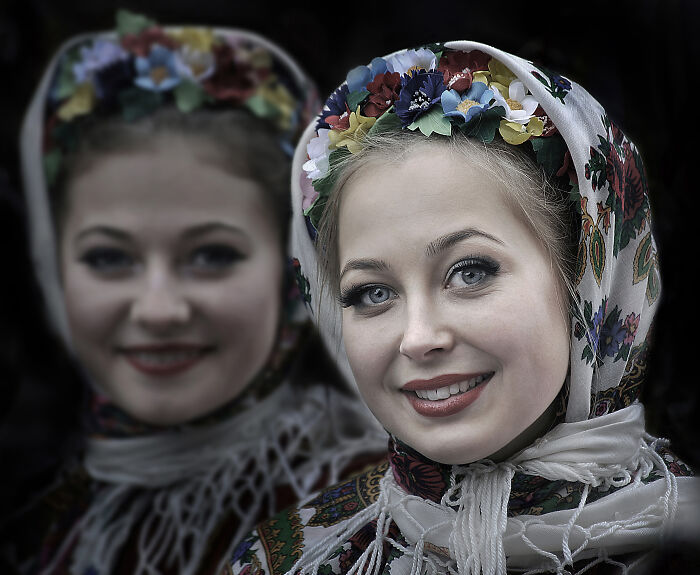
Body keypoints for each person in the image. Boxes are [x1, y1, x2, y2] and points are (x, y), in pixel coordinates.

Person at [225, 41, 699, 574]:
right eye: (372, 292)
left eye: (470, 272)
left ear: (588, 279)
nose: (418, 337)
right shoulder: (291, 559)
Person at [6, 10, 386, 575]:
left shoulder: (377, 523)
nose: (158, 309)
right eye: (109, 258)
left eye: (212, 256)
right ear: (53, 265)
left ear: (295, 271)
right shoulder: (43, 516)